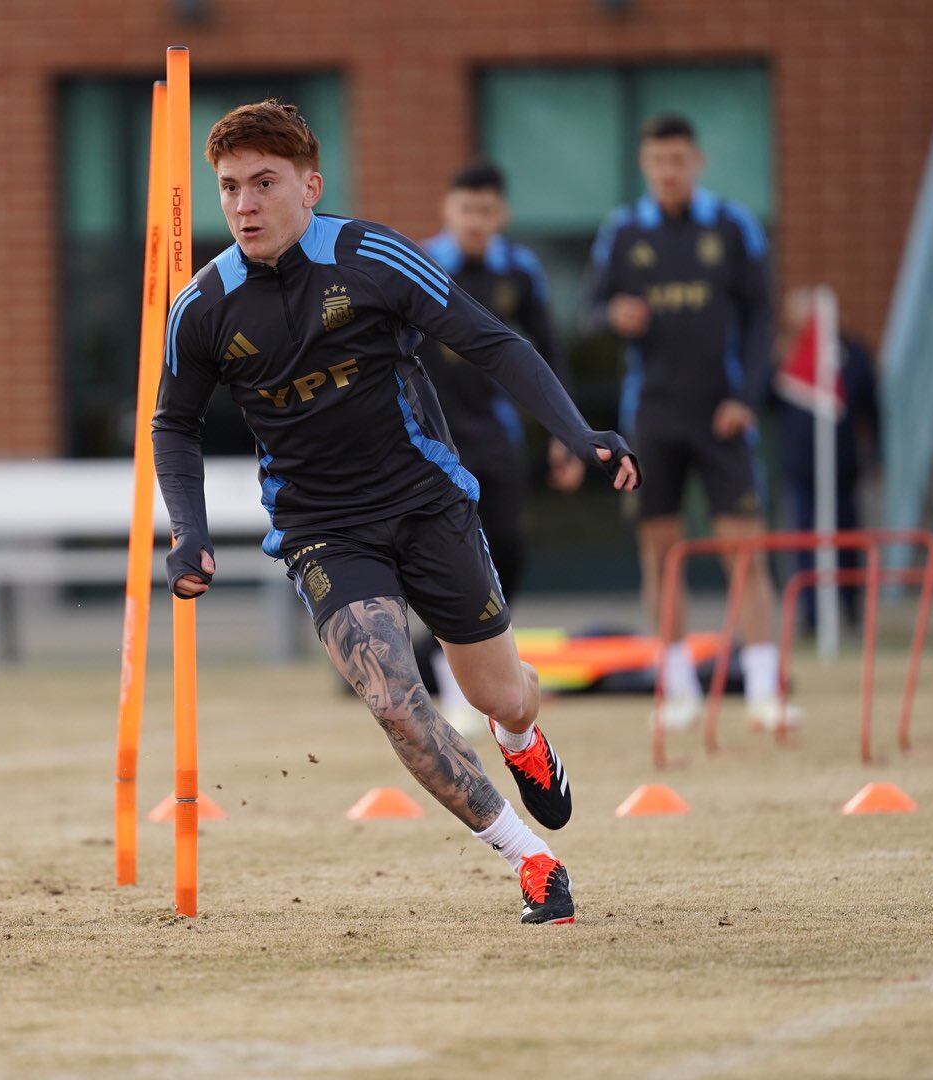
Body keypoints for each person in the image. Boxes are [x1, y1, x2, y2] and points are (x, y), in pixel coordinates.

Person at [153, 101, 639, 925]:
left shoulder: (370, 256)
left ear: (310, 186)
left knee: (502, 694)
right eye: (230, 187)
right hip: (322, 529)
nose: (244, 205)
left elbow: (494, 342)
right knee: (394, 700)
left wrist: (576, 429)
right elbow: (174, 423)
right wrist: (190, 534)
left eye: (264, 184)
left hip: (426, 504)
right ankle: (532, 860)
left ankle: (522, 740)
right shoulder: (203, 307)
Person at [584, 113, 791, 730]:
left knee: (745, 552)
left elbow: (761, 319)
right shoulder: (623, 231)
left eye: (678, 161)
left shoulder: (731, 227)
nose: (668, 172)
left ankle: (764, 689)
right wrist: (613, 313)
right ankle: (675, 690)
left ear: (696, 162)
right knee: (660, 555)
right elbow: (589, 309)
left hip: (722, 414)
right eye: (657, 162)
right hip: (652, 417)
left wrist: (747, 398)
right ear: (646, 165)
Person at [416, 161, 585, 727]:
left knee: (507, 547)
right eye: (466, 210)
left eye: (486, 211)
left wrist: (568, 433)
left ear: (501, 216)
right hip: (431, 439)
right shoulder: (418, 264)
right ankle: (453, 682)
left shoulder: (521, 271)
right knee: (447, 555)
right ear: (448, 210)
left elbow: (548, 353)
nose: (475, 221)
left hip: (497, 435)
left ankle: (474, 663)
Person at [773, 287, 880, 633]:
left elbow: (872, 408)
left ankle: (848, 607)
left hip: (843, 466)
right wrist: (780, 360)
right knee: (804, 540)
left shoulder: (852, 353)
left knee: (846, 538)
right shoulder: (787, 355)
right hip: (800, 465)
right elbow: (764, 398)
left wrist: (876, 455)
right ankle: (812, 614)